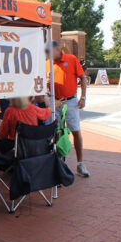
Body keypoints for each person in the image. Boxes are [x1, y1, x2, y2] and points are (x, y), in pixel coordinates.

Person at [46, 41, 90, 177]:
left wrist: (83, 97)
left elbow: (82, 78)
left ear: (57, 50)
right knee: (55, 132)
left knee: (76, 131)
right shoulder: (47, 62)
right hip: (54, 101)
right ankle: (59, 164)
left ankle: (80, 164)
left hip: (70, 101)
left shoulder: (71, 59)